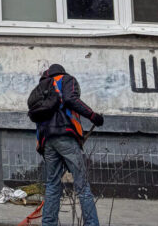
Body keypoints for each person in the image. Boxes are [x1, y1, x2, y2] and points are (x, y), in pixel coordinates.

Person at [31, 63, 104, 226]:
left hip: (47, 141)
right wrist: (93, 116)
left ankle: (48, 224)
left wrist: (41, 144)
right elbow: (71, 99)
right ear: (62, 72)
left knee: (52, 185)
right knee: (82, 185)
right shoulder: (66, 80)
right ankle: (92, 224)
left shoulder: (42, 87)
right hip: (66, 136)